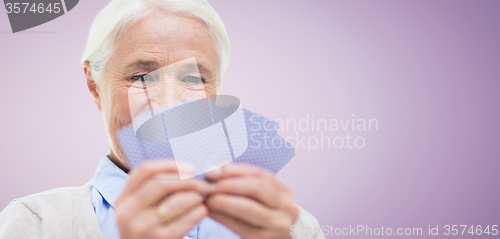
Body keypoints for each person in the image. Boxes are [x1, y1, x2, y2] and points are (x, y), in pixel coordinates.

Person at [0, 0, 324, 238]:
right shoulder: (37, 224)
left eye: (194, 79)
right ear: (94, 87)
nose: (169, 104)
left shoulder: (292, 228)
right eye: (142, 77)